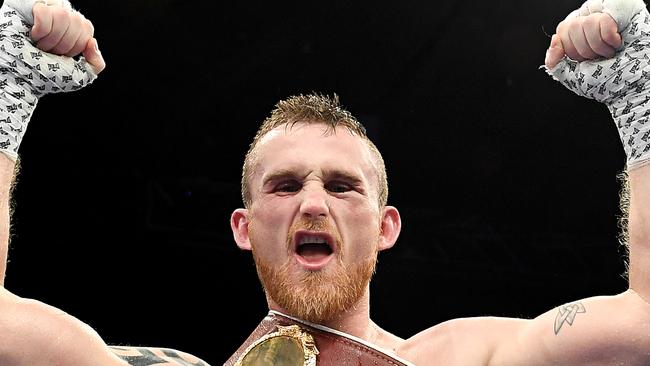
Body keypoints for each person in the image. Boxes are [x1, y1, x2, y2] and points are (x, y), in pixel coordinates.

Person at [0, 1, 648, 366]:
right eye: (284, 186)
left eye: (342, 186)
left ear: (386, 225)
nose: (313, 201)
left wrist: (639, 102)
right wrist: (9, 94)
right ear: (244, 227)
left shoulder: (459, 361)